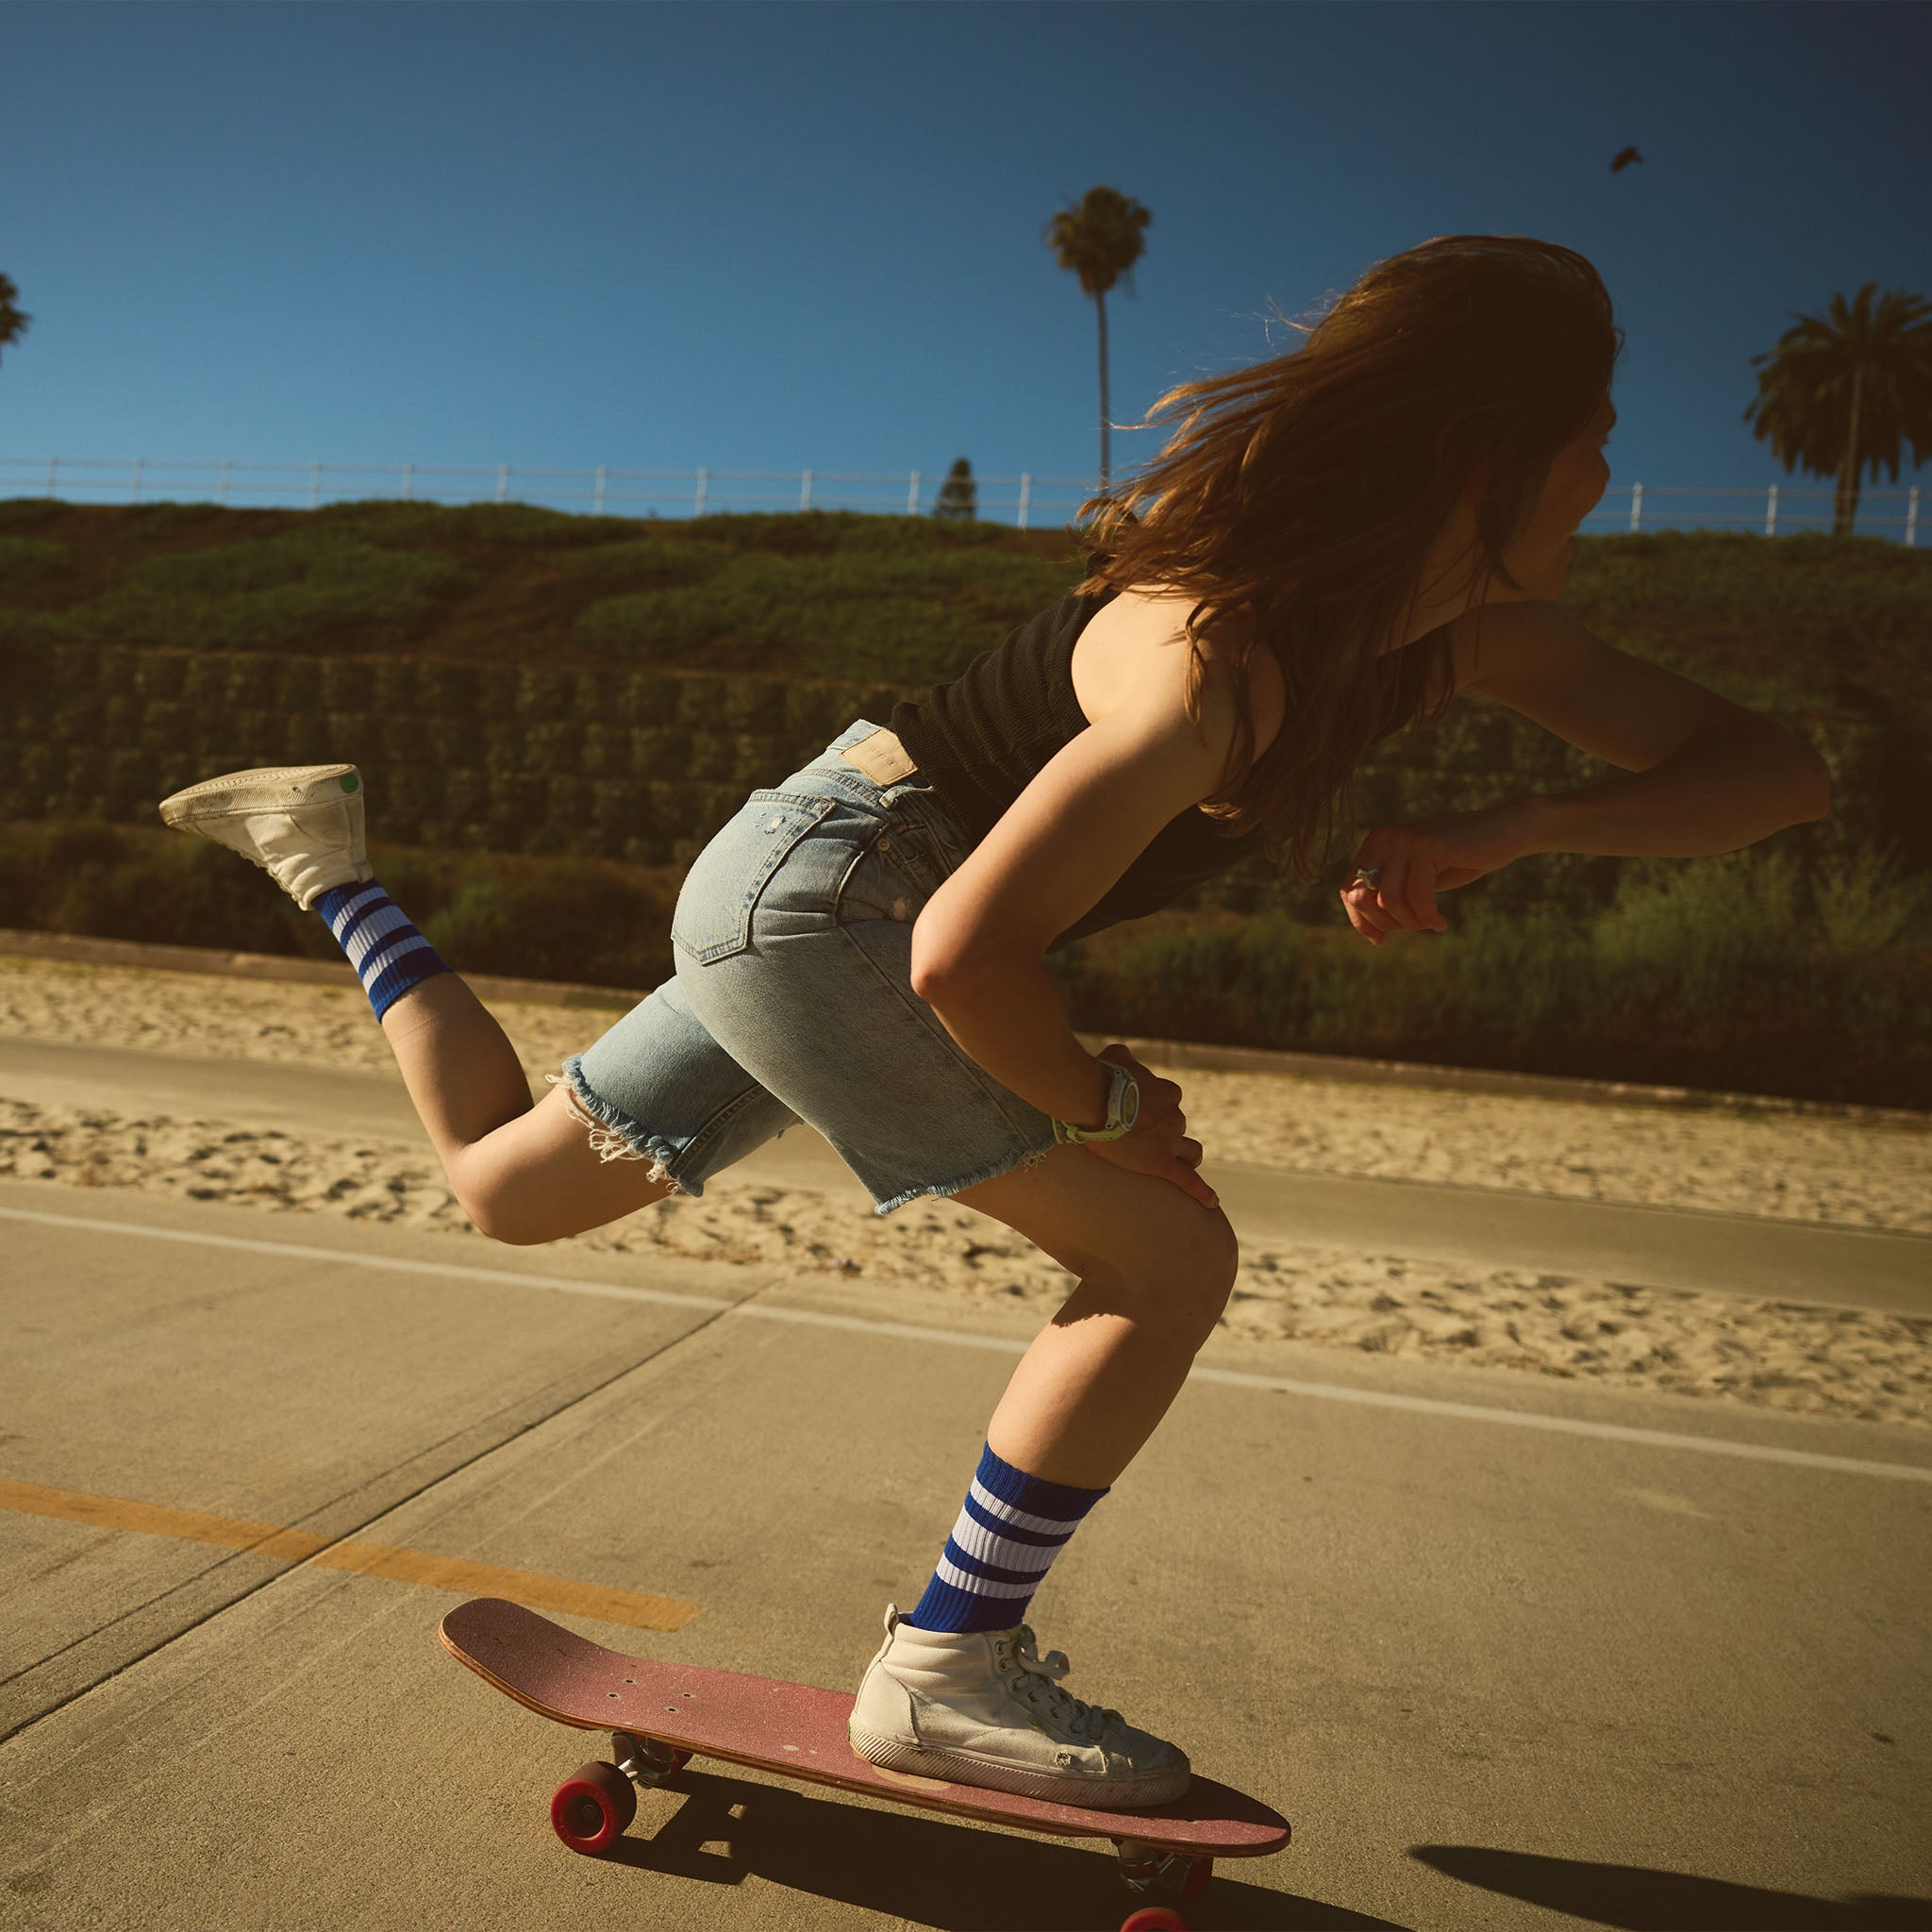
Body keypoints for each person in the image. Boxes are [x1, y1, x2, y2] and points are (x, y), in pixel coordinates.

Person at [156, 234, 1828, 1813]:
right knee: (1166, 1258)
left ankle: (330, 869)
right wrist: (1107, 1110)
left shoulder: (1451, 643)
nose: (1609, 471)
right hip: (841, 909)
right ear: (1488, 459)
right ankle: (948, 1670)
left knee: (505, 1190)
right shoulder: (1210, 660)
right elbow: (964, 957)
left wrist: (1515, 827)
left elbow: (1775, 773)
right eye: (1592, 438)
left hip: (795, 890)